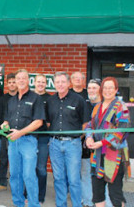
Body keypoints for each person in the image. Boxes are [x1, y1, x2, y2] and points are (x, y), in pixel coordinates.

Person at [1, 69, 45, 207]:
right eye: (18, 78)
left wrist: (21, 132)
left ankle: (33, 204)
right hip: (12, 142)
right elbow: (7, 119)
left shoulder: (35, 98)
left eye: (23, 78)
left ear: (28, 80)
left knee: (28, 175)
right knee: (14, 175)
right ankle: (18, 203)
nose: (20, 81)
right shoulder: (11, 100)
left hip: (28, 141)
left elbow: (38, 122)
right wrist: (4, 124)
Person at [85, 77, 131, 207]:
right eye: (105, 87)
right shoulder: (97, 107)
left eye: (111, 87)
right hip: (97, 156)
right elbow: (90, 125)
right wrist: (89, 137)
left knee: (115, 194)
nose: (107, 90)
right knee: (97, 192)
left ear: (116, 90)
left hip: (114, 155)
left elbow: (122, 131)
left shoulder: (122, 107)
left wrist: (102, 142)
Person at [46, 72, 89, 207]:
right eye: (57, 82)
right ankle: (61, 204)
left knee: (74, 179)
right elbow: (48, 122)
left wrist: (77, 138)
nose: (60, 84)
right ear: (54, 84)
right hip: (54, 144)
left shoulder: (78, 100)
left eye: (63, 82)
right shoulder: (50, 101)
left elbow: (85, 123)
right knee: (58, 178)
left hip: (73, 144)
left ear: (68, 83)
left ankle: (77, 204)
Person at [81, 78, 102, 207]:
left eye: (94, 87)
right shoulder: (84, 104)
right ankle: (88, 201)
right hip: (86, 146)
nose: (91, 90)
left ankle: (101, 201)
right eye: (89, 88)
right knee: (85, 173)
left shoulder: (105, 105)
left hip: (102, 147)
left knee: (101, 175)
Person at [32, 74, 51, 204]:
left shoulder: (50, 99)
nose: (40, 84)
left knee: (41, 169)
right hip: (29, 136)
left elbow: (51, 120)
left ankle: (40, 196)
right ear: (34, 82)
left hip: (43, 137)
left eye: (43, 82)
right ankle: (28, 193)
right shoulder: (29, 96)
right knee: (29, 167)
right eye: (38, 82)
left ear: (46, 84)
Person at [0, 72, 17, 190]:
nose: (12, 85)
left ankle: (16, 181)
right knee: (3, 157)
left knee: (16, 159)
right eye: (9, 83)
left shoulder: (20, 97)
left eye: (14, 82)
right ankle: (2, 182)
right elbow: (1, 114)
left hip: (17, 132)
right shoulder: (3, 98)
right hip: (4, 133)